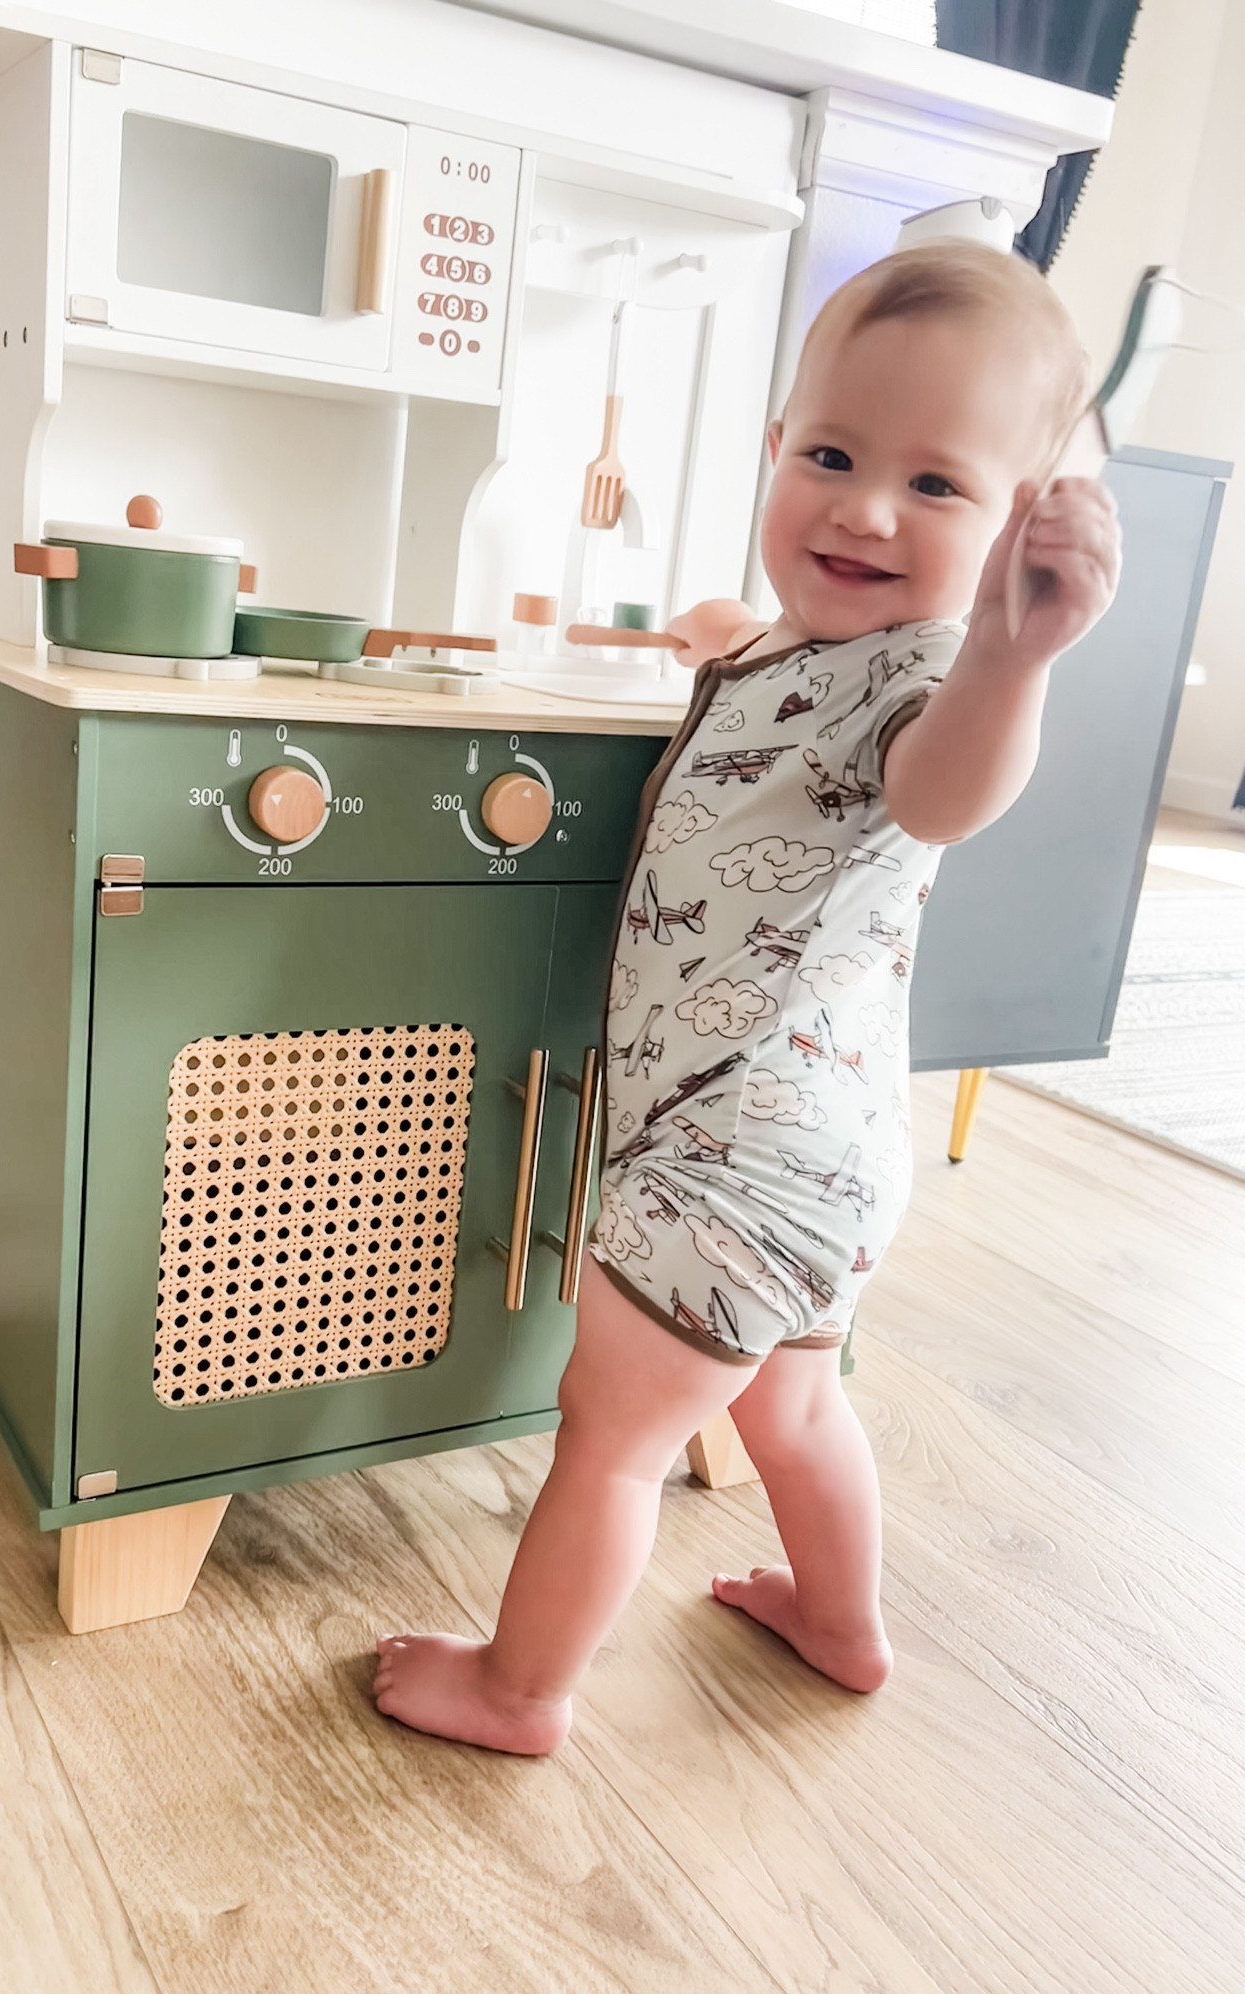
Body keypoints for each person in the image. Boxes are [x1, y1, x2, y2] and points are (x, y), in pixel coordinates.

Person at [374, 243, 1121, 1754]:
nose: (862, 508)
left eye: (937, 488)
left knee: (615, 1433)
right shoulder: (814, 643)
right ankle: (840, 1623)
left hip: (737, 1161)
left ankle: (519, 1690)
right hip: (830, 1160)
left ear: (1011, 537)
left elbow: (944, 790)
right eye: (834, 454)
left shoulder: (932, 678)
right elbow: (779, 681)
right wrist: (725, 637)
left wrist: (1016, 660)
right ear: (776, 447)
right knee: (791, 1410)